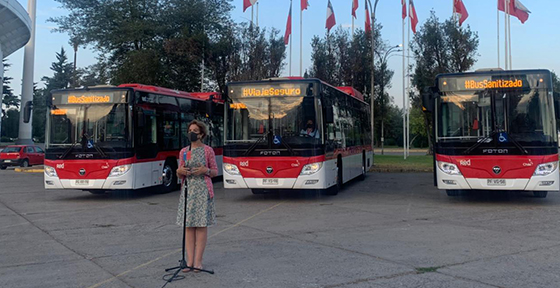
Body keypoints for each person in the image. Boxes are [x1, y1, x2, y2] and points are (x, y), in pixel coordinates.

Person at [176, 120, 218, 273]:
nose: (191, 133)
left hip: (203, 190)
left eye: (195, 130)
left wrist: (205, 170)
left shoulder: (208, 151)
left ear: (201, 134)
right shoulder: (184, 151)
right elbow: (178, 170)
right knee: (189, 226)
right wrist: (181, 172)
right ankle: (189, 261)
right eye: (190, 130)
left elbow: (215, 171)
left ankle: (198, 261)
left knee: (200, 226)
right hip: (188, 190)